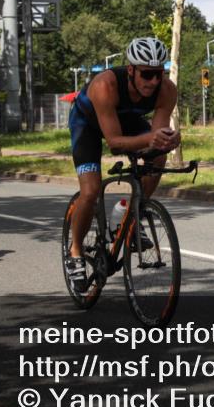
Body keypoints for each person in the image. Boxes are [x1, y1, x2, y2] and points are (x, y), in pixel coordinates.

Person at [66, 37, 181, 292]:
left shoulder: (166, 90)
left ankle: (129, 214)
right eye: (147, 74)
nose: (153, 81)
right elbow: (115, 144)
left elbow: (157, 134)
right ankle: (74, 252)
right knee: (90, 192)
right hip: (88, 125)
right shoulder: (105, 85)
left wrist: (167, 140)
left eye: (158, 74)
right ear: (131, 70)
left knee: (158, 155)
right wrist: (152, 137)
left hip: (126, 123)